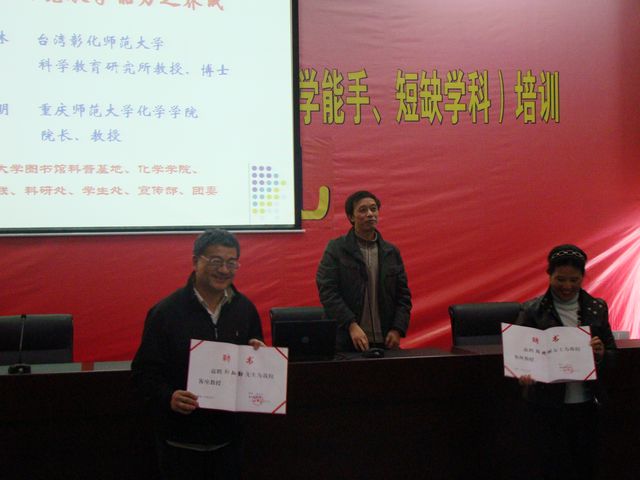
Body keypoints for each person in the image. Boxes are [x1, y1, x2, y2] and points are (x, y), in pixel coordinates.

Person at [131, 229, 264, 480]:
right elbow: (143, 373)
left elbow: (251, 365)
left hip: (229, 440)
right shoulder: (165, 312)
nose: (224, 270)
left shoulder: (245, 309)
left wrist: (259, 356)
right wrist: (168, 397)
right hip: (180, 441)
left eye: (231, 262)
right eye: (215, 261)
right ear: (195, 261)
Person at [516, 244, 616, 480]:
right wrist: (523, 374)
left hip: (587, 404)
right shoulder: (531, 310)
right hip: (547, 406)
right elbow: (519, 355)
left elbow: (613, 355)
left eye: (574, 280)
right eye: (560, 279)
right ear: (549, 275)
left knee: (586, 467)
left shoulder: (597, 308)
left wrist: (601, 353)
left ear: (583, 277)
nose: (567, 286)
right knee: (552, 468)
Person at [316, 190, 412, 352]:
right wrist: (351, 325)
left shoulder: (391, 252)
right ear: (351, 217)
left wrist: (397, 328)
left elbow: (403, 296)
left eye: (373, 209)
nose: (370, 214)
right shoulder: (337, 249)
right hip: (347, 339)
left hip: (386, 340)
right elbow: (328, 292)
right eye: (363, 210)